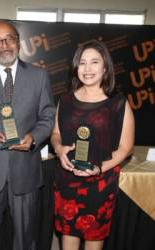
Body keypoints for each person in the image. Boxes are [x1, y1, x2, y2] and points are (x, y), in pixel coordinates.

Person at [0, 20, 55, 250]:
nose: (4, 45)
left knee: (26, 238)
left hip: (25, 170)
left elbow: (47, 116)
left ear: (18, 42)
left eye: (9, 39)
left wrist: (34, 137)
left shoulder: (39, 76)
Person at [51, 40, 135, 250]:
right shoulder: (65, 100)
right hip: (66, 181)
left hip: (101, 184)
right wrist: (59, 148)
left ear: (105, 67)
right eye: (82, 63)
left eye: (94, 62)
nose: (87, 69)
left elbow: (126, 148)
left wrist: (99, 169)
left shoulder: (118, 103)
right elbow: (55, 133)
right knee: (67, 241)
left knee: (94, 243)